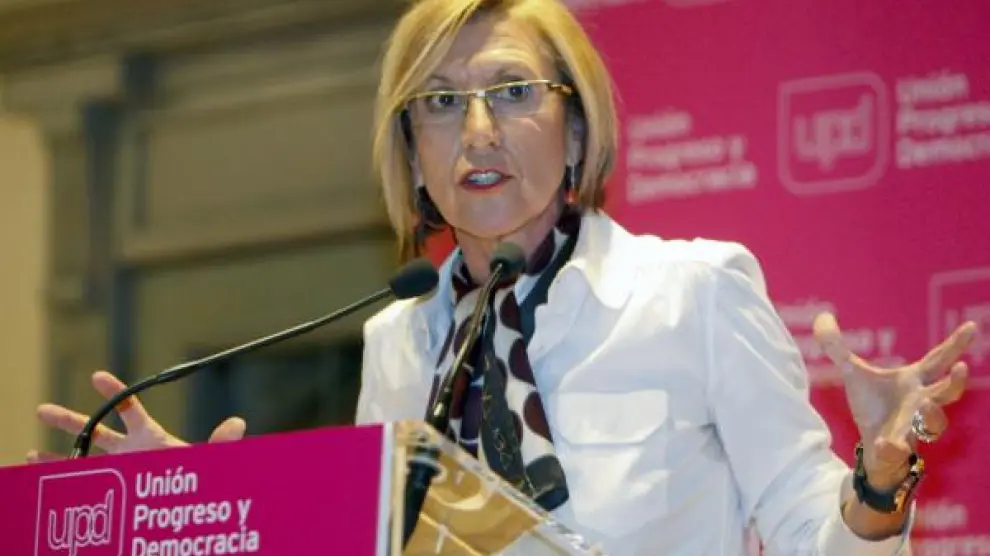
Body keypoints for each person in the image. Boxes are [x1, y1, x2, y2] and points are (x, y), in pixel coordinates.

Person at [30, 0, 975, 554]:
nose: (476, 131)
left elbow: (812, 532)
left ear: (577, 129)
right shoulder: (397, 339)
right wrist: (204, 509)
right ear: (412, 151)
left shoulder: (693, 292)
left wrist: (878, 478)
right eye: (440, 103)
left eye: (513, 92)